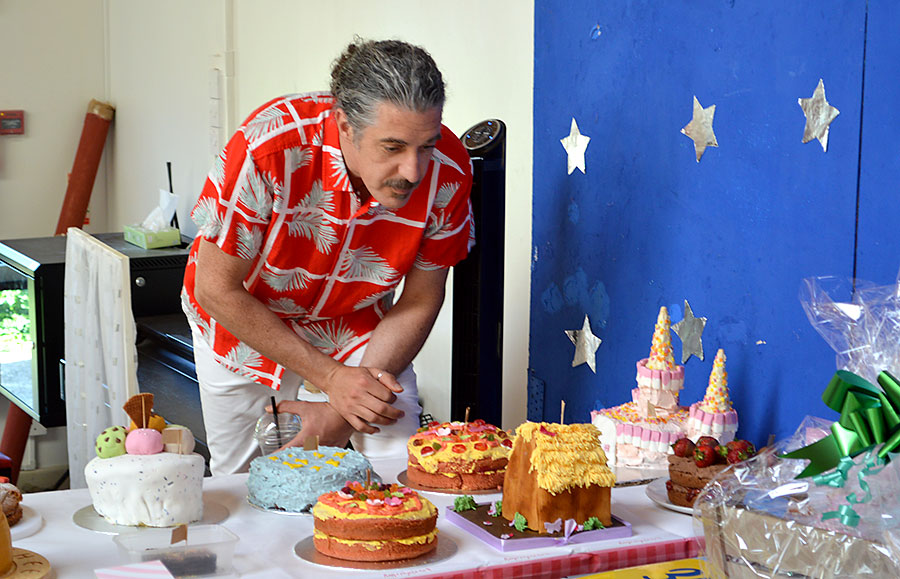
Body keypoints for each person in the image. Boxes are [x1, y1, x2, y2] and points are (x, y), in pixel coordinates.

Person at [181, 39, 474, 475]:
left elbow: (419, 299)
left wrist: (341, 411)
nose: (413, 171)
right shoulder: (267, 148)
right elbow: (216, 288)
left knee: (403, 469)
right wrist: (332, 380)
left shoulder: (449, 171)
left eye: (426, 146)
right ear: (345, 124)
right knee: (244, 485)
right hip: (243, 320)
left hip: (360, 327)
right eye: (392, 148)